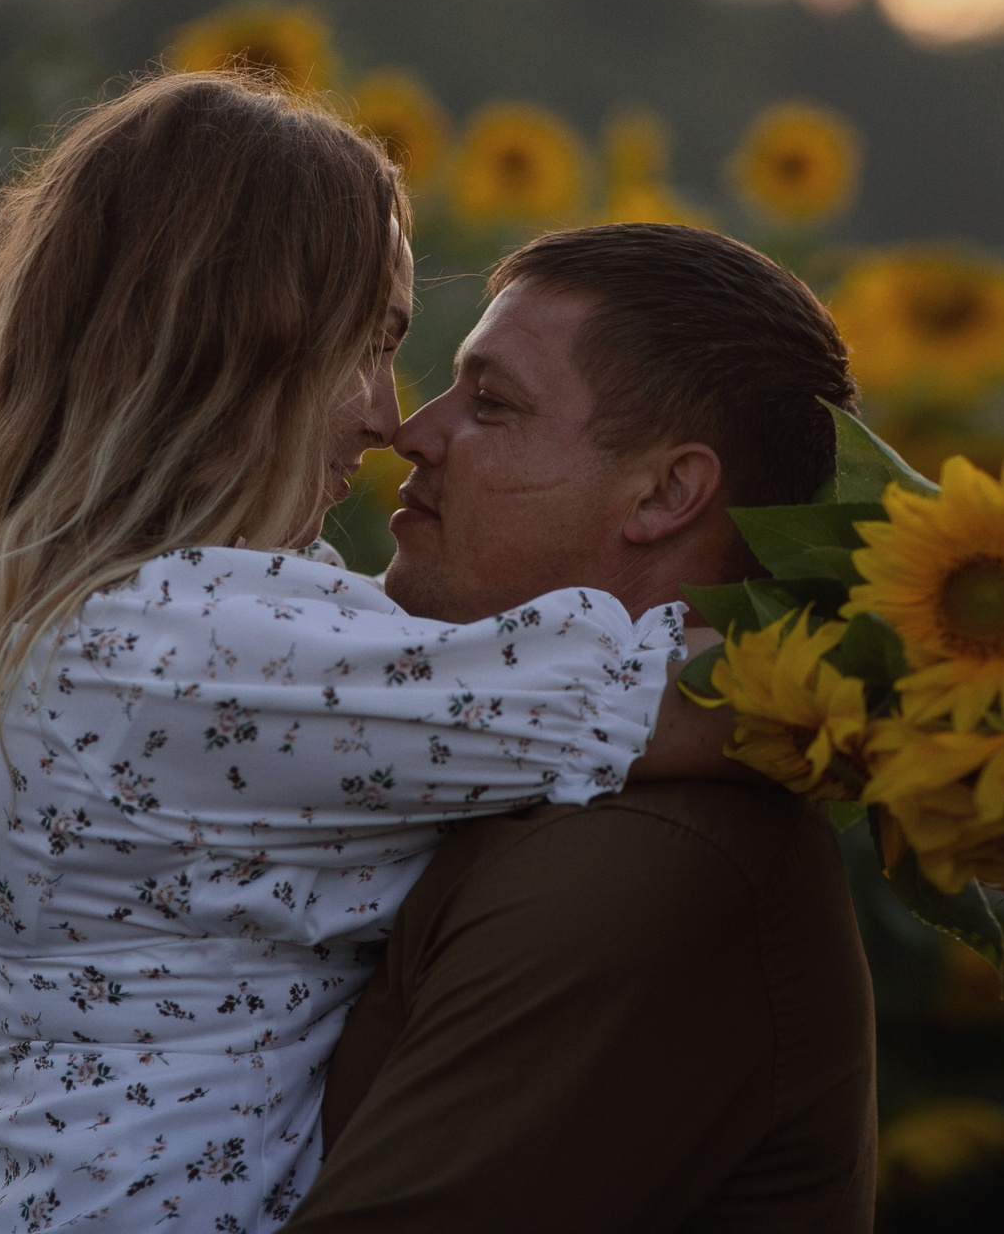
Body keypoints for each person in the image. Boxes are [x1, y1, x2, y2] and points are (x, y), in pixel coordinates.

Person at [0, 74, 743, 1234]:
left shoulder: (95, 611)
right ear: (230, 349)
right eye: (364, 347)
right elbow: (666, 697)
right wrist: (955, 688)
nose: (387, 417)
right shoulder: (183, 640)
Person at [285, 224, 879, 1233]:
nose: (411, 433)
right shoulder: (506, 769)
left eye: (491, 403)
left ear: (665, 493)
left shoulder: (644, 862)